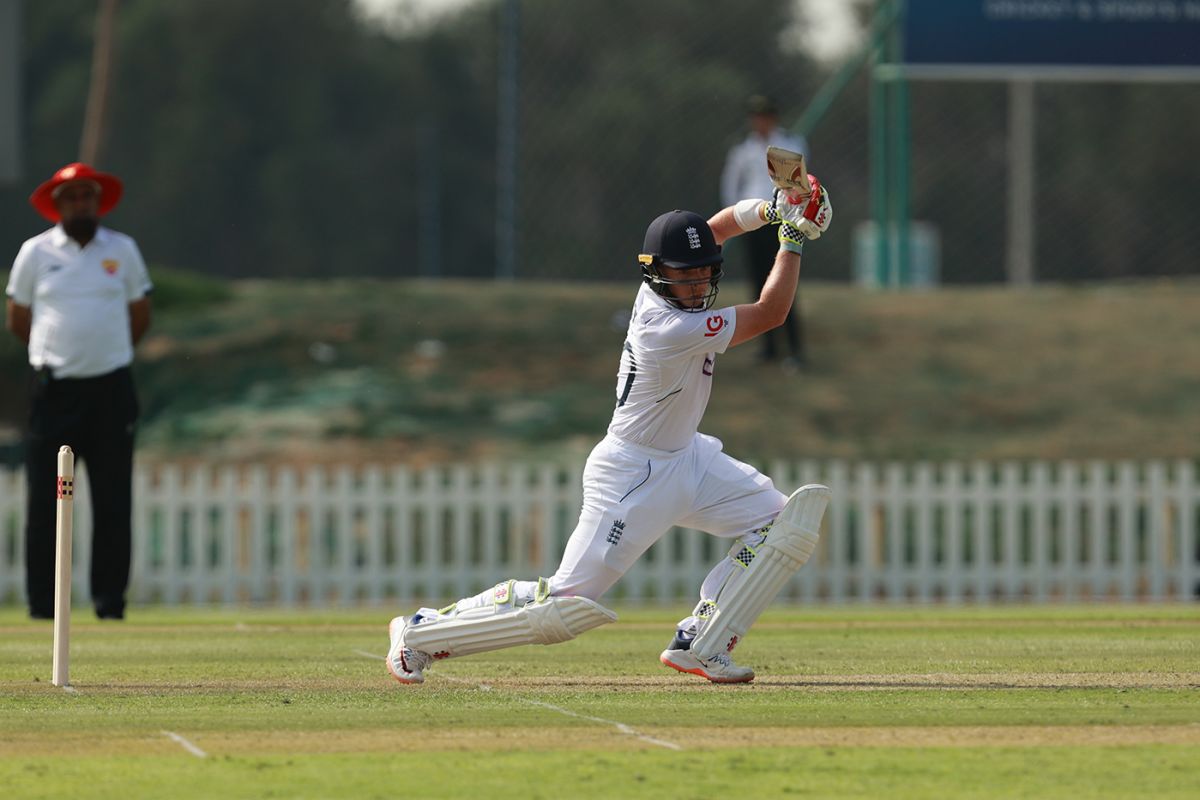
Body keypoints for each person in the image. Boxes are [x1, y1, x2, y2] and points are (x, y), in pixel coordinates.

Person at [386, 177, 834, 685]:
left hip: (689, 458)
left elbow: (717, 228)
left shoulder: (676, 289)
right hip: (633, 473)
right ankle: (421, 632)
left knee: (782, 525)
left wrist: (773, 209)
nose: (695, 287)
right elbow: (772, 314)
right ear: (655, 276)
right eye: (684, 279)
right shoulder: (667, 328)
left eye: (703, 275)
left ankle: (702, 642)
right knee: (564, 606)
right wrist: (792, 240)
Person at [5, 162, 153, 620]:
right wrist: (56, 353)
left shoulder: (122, 250)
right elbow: (19, 316)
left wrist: (103, 352)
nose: (79, 205)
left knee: (112, 500)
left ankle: (110, 604)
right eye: (70, 198)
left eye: (86, 197)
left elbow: (139, 312)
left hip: (110, 388)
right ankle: (42, 607)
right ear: (57, 205)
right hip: (54, 391)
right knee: (43, 503)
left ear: (97, 202)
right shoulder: (35, 252)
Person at [720, 94, 811, 369]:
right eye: (756, 117)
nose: (760, 122)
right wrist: (733, 219)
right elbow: (731, 185)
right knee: (758, 283)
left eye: (765, 116)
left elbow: (799, 185)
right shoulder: (742, 150)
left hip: (780, 220)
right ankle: (768, 347)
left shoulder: (790, 144)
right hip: (752, 220)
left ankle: (795, 349)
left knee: (784, 283)